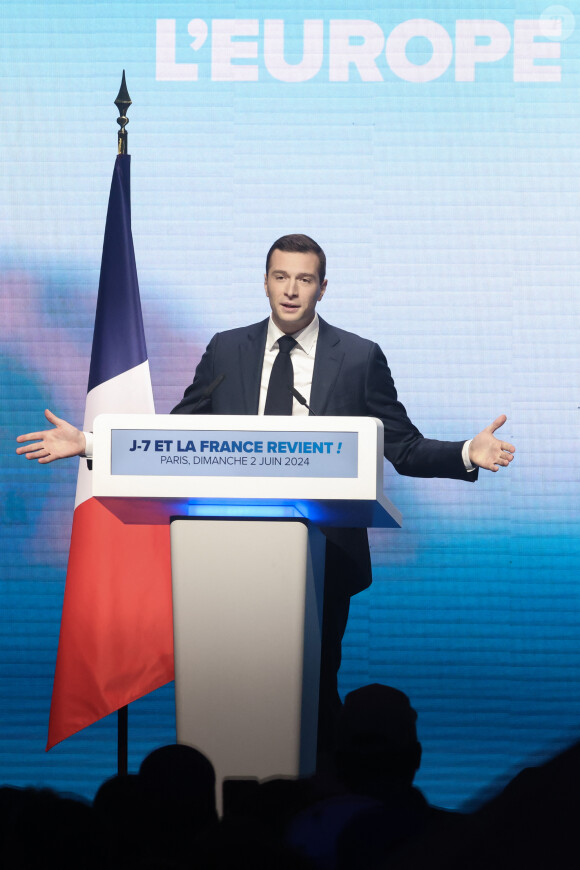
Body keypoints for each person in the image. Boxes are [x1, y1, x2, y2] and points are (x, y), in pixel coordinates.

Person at [16, 234, 515, 754]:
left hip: (324, 559)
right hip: (224, 562)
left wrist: (465, 452)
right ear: (265, 282)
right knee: (231, 703)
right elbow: (173, 441)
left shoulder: (360, 358)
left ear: (323, 288)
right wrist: (89, 444)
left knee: (313, 698)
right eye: (281, 277)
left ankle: (312, 810)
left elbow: (404, 448)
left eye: (304, 279)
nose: (291, 290)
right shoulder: (226, 350)